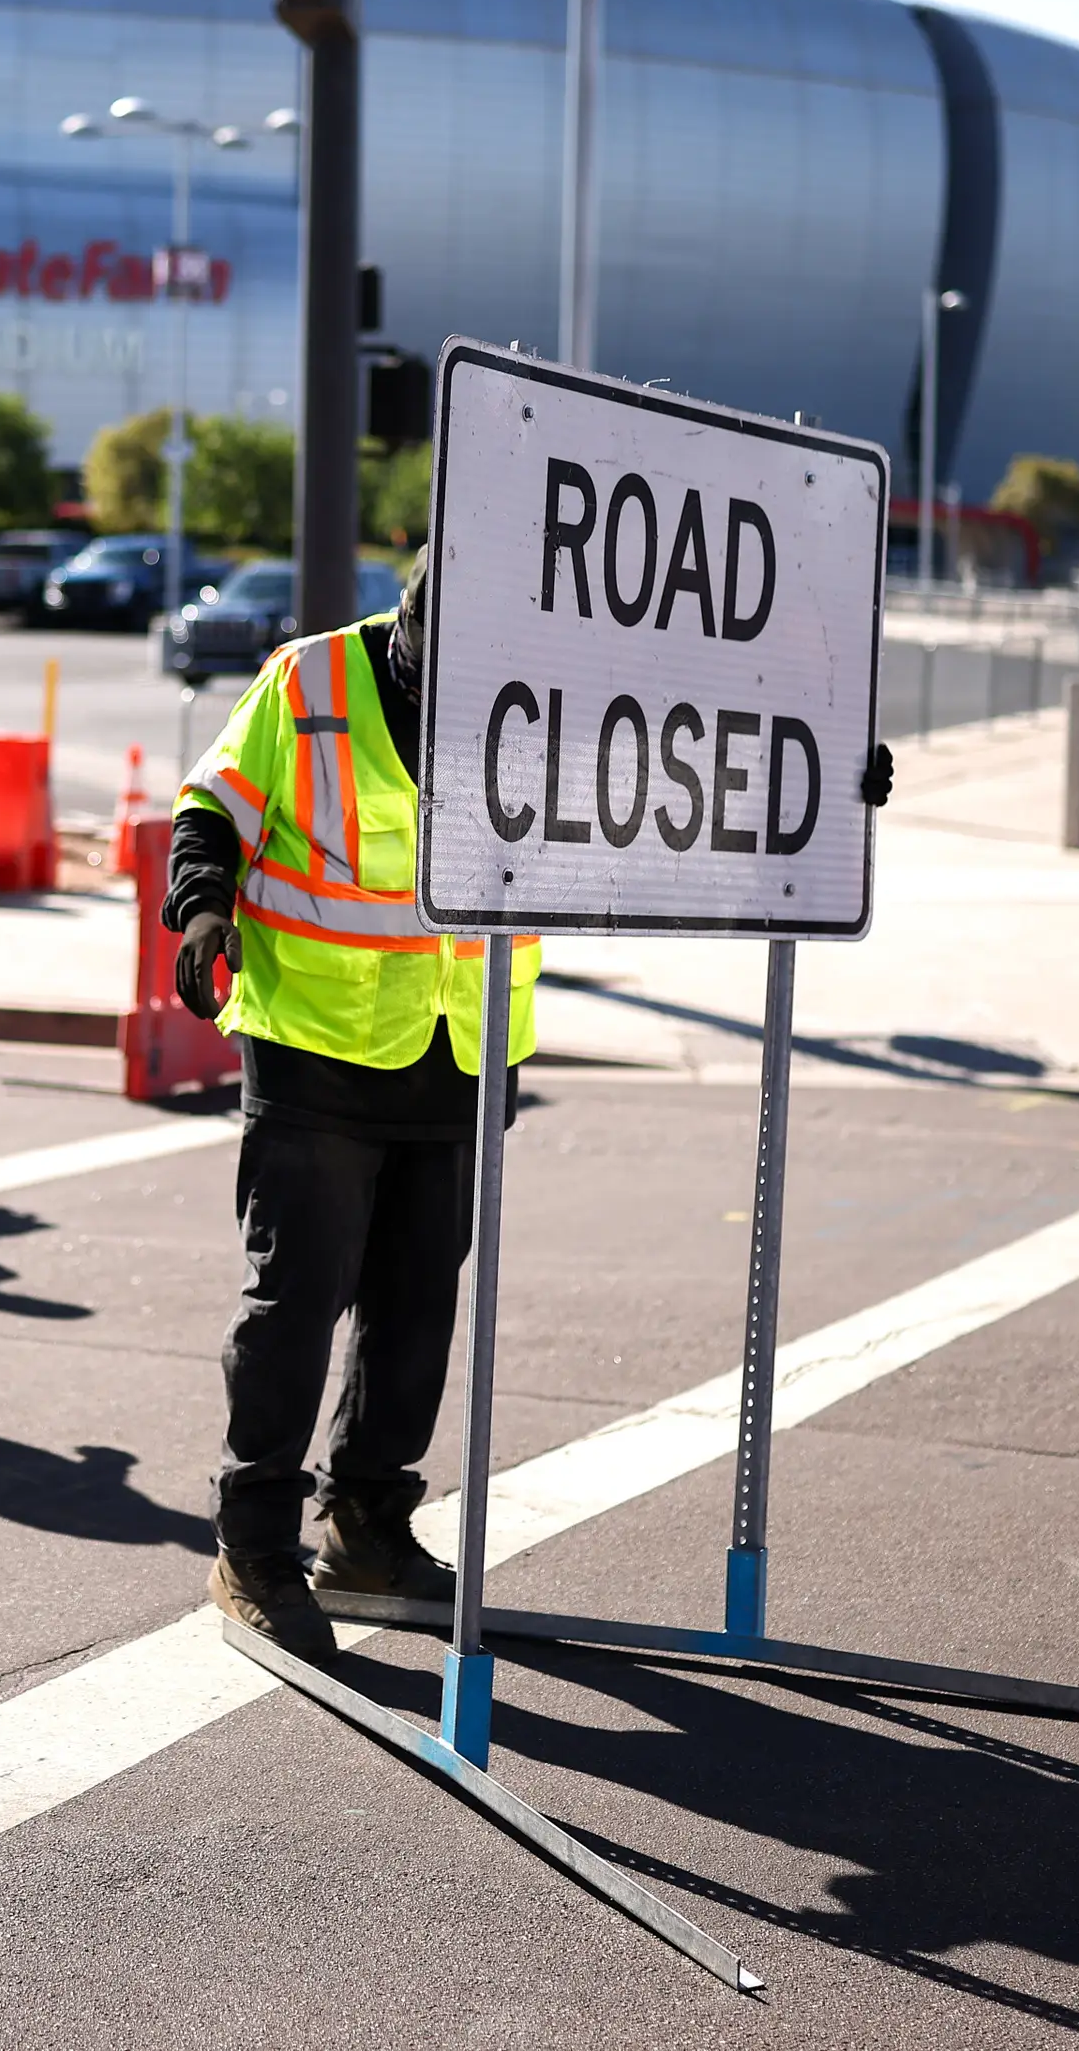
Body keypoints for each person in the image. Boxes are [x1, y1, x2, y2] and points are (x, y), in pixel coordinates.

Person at [166, 566, 893, 1661]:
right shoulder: (306, 680)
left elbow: (668, 780)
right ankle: (253, 1545)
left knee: (415, 1310)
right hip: (316, 1044)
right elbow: (210, 807)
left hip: (456, 1047)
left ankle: (367, 1525)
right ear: (412, 633)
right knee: (293, 1307)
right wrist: (203, 909)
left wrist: (821, 776)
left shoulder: (539, 686)